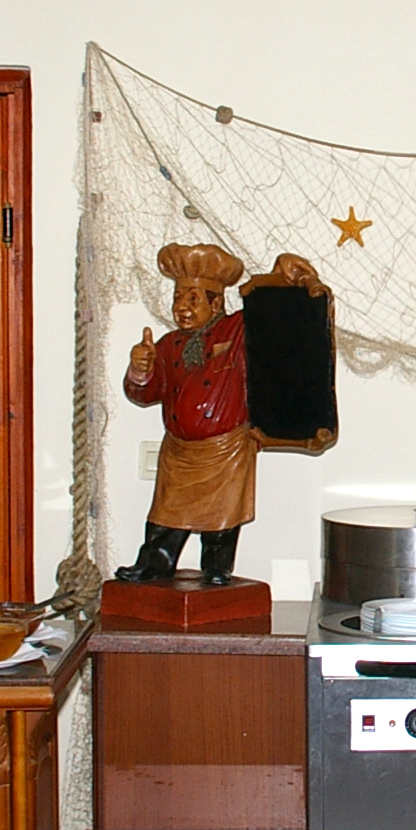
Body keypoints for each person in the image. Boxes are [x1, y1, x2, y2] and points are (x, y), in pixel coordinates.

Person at [117, 242, 255, 586]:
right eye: (178, 298)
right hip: (179, 450)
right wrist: (141, 369)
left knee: (222, 516)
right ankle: (154, 564)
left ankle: (217, 568)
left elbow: (276, 314)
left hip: (225, 448)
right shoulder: (167, 345)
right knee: (166, 514)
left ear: (216, 303)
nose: (182, 307)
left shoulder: (237, 331)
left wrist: (286, 272)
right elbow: (146, 393)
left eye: (193, 299)